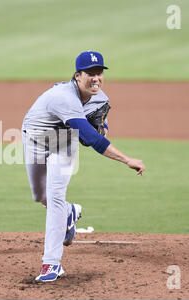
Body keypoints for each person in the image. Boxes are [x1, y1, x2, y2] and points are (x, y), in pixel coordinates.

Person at [21, 51, 145, 283]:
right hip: (35, 139)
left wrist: (102, 127)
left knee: (55, 195)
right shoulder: (63, 97)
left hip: (63, 143)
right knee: (40, 196)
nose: (96, 78)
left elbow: (98, 129)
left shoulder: (100, 98)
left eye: (99, 73)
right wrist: (127, 159)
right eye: (90, 73)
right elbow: (92, 139)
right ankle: (70, 212)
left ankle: (51, 264)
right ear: (78, 76)